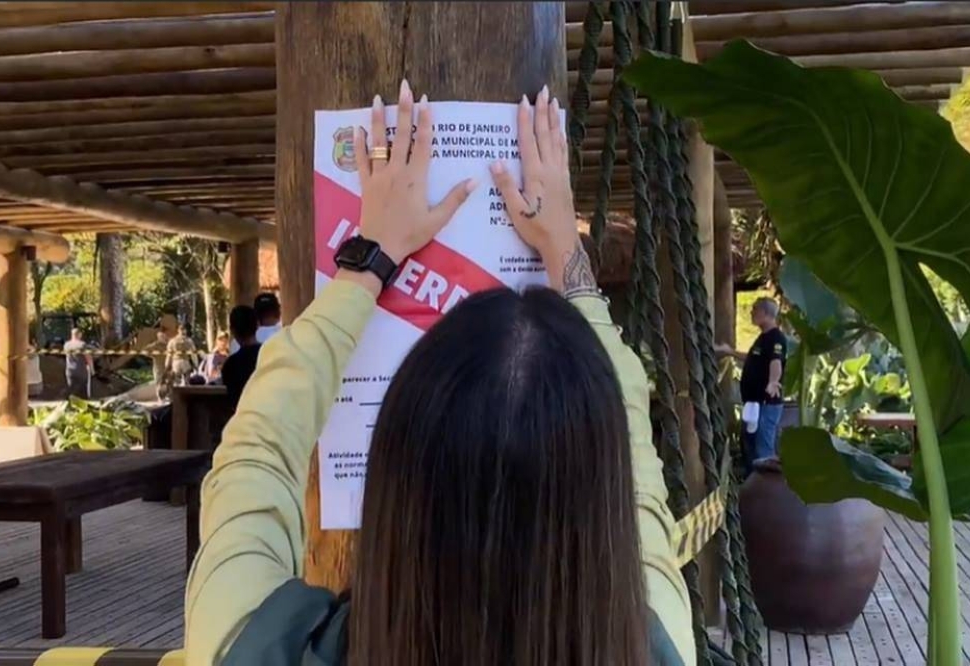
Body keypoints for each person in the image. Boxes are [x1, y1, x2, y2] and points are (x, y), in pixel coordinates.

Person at [186, 82, 692, 666]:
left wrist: (370, 259)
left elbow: (258, 449)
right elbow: (637, 459)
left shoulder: (256, 650)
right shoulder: (662, 646)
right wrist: (568, 259)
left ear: (392, 482)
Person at [716, 297, 787, 473]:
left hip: (766, 403)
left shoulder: (776, 338)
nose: (752, 313)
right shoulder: (763, 338)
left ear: (766, 313)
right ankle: (752, 480)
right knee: (750, 442)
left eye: (755, 309)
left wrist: (773, 382)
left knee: (763, 447)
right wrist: (730, 351)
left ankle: (766, 484)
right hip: (753, 403)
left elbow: (776, 362)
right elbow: (753, 358)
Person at [220, 306, 261, 410]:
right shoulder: (270, 355)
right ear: (257, 325)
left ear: (232, 330)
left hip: (242, 415)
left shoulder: (230, 365)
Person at [165, 322, 198, 389]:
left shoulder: (172, 341)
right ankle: (186, 391)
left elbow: (169, 355)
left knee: (176, 382)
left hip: (176, 362)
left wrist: (167, 365)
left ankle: (177, 392)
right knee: (186, 382)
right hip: (185, 362)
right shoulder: (189, 341)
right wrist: (196, 364)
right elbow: (193, 354)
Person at [63, 328, 93, 399]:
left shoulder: (66, 345)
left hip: (70, 370)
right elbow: (88, 357)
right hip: (81, 371)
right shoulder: (82, 344)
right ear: (79, 334)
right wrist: (92, 369)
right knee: (82, 391)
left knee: (72, 389)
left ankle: (72, 402)